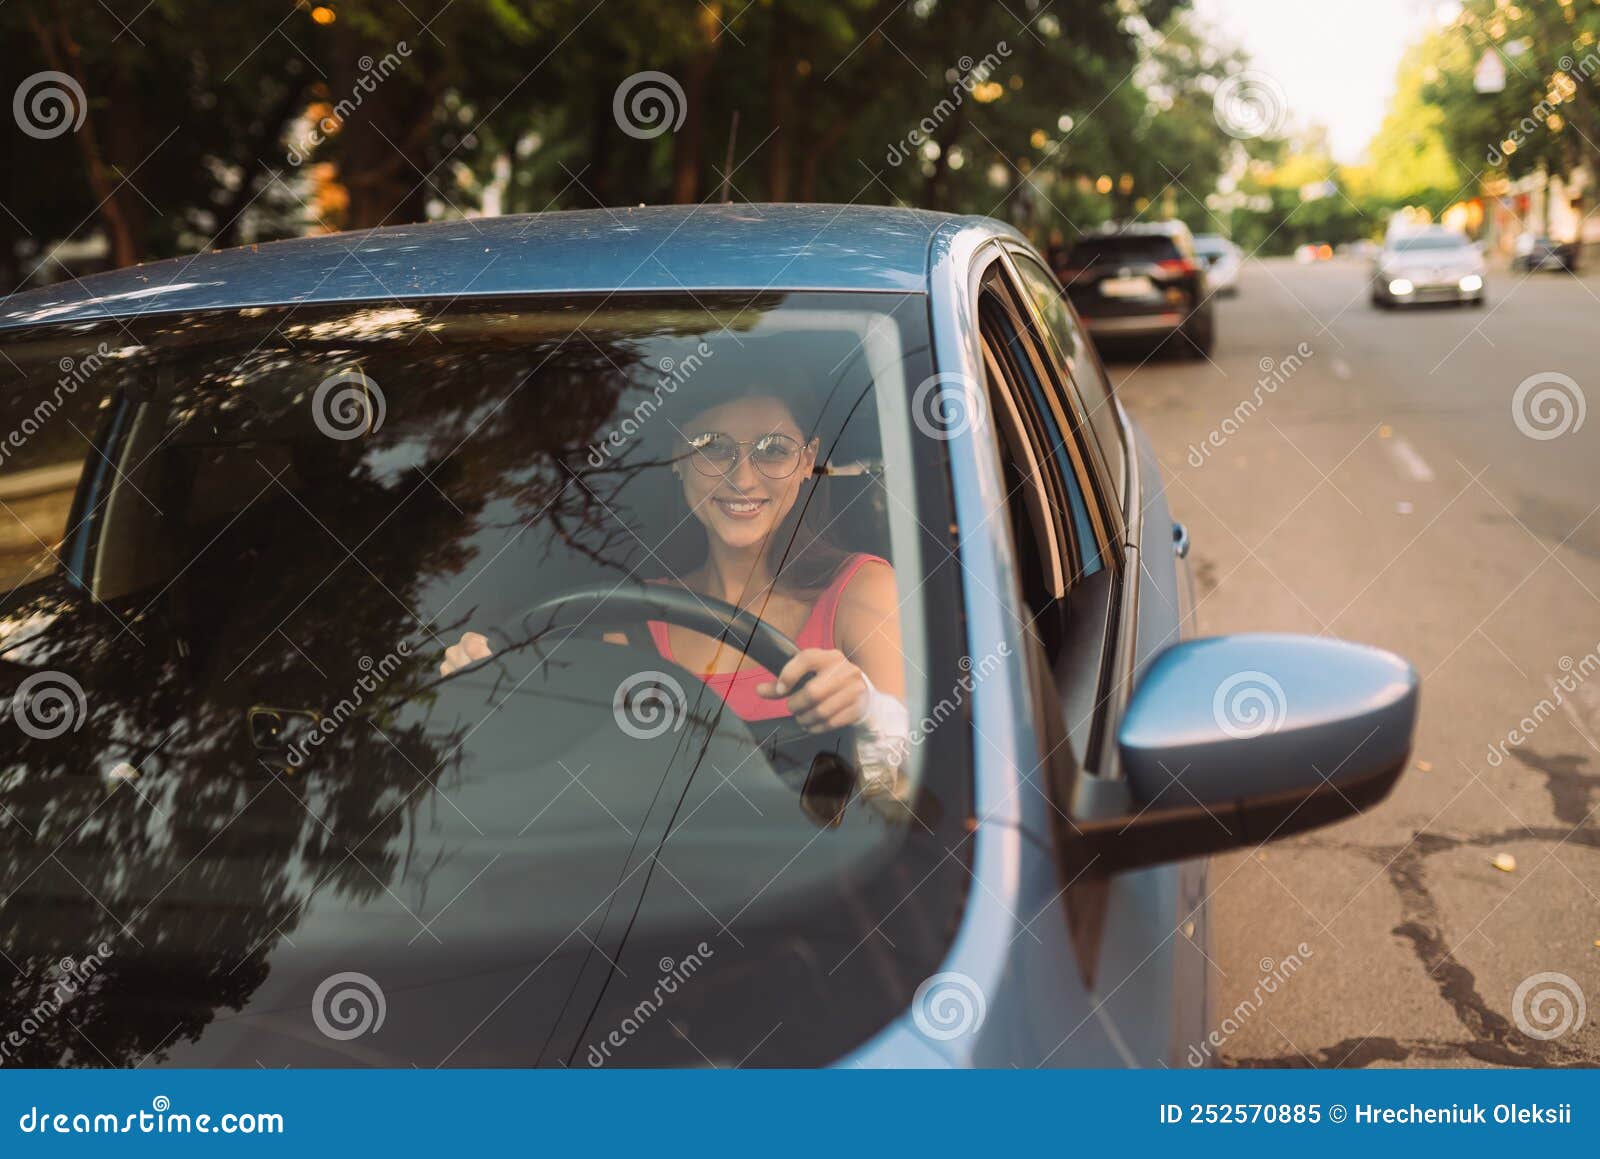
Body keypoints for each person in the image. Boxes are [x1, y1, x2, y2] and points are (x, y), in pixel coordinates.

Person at [439, 386, 910, 788]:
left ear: (808, 461)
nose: (743, 477)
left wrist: (869, 711)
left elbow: (912, 783)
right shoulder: (631, 618)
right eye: (712, 446)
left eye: (773, 449)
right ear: (678, 459)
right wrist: (487, 686)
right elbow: (577, 776)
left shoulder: (861, 590)